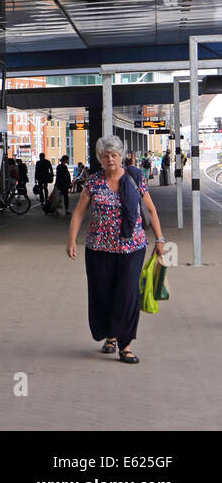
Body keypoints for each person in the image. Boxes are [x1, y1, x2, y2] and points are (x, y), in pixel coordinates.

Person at [67, 135, 166, 364]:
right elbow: (80, 212)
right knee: (103, 293)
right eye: (105, 156)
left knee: (128, 294)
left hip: (132, 247)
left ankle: (126, 344)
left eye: (114, 155)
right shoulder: (93, 182)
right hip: (99, 249)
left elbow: (150, 210)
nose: (110, 159)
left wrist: (160, 239)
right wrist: (72, 240)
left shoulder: (134, 177)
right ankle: (110, 335)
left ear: (121, 156)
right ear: (99, 159)